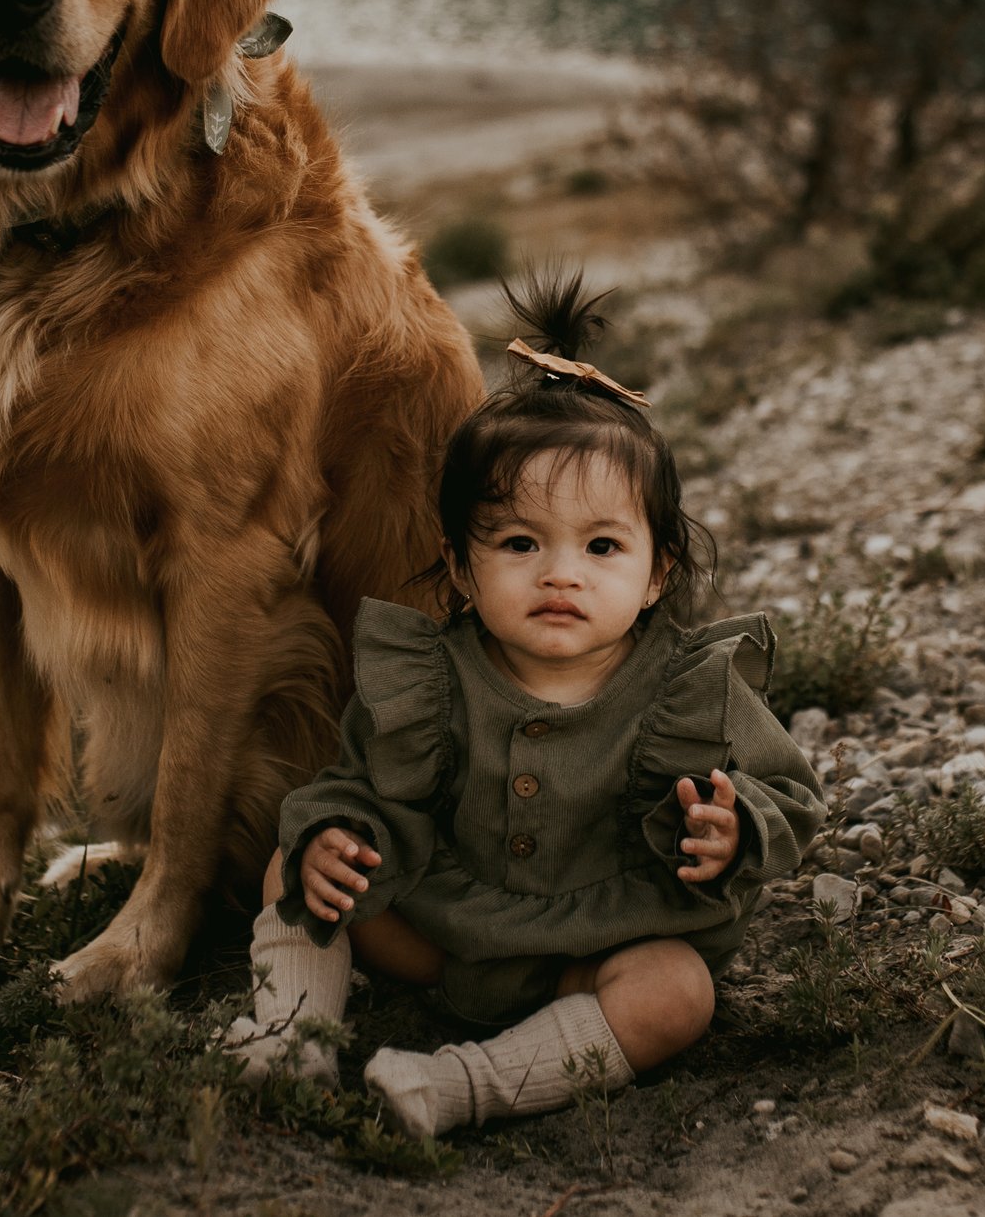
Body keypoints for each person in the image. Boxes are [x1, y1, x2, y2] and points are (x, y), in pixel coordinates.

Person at [225, 273, 826, 1138]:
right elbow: (361, 788)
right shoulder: (427, 678)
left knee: (677, 994)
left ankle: (460, 1086)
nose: (561, 573)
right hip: (443, 939)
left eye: (603, 545)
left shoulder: (692, 684)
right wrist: (333, 836)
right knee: (296, 866)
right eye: (518, 542)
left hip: (601, 953)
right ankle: (292, 1037)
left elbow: (789, 794)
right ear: (462, 568)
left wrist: (735, 830)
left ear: (658, 572)